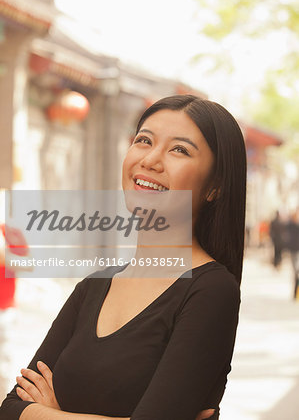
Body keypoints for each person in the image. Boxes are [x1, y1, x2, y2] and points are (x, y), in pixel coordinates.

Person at [0, 95, 247, 420]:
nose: (151, 160)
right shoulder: (94, 285)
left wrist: (49, 414)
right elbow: (10, 409)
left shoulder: (212, 291)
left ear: (214, 186)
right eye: (143, 141)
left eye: (179, 149)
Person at [285, 209, 299, 300]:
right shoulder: (291, 225)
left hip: (296, 250)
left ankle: (295, 292)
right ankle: (295, 293)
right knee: (296, 272)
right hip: (294, 250)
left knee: (296, 272)